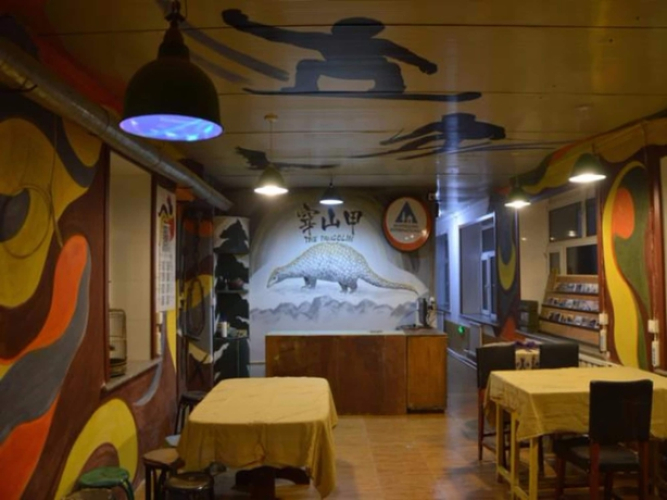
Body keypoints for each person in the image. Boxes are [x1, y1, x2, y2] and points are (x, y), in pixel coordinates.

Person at [222, 9, 437, 92]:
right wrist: (243, 25)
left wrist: (424, 64)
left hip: (357, 70)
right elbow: (279, 35)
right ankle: (305, 87)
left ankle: (390, 86)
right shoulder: (327, 41)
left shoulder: (376, 44)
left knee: (391, 67)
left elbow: (405, 54)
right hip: (350, 70)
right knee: (308, 64)